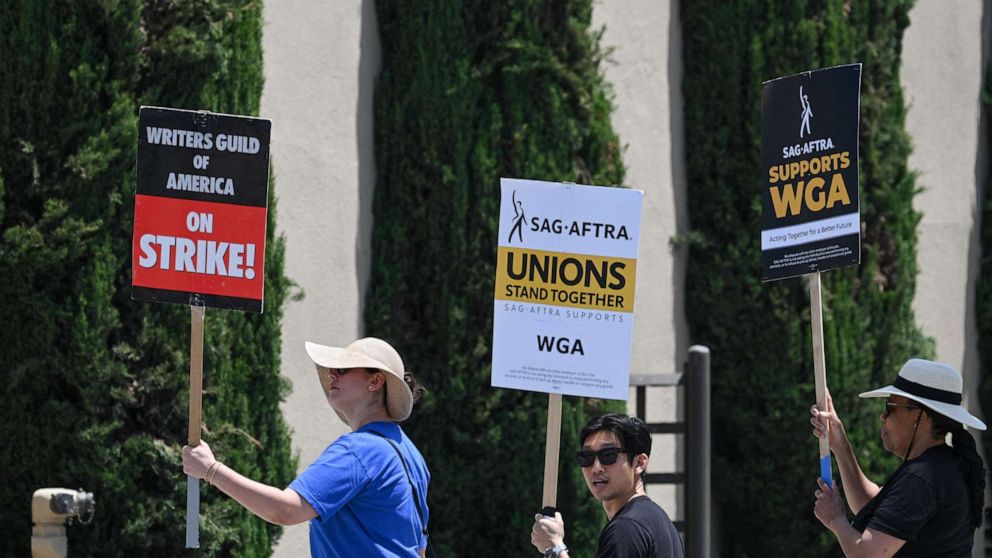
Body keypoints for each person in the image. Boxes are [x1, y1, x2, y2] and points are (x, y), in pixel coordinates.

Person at [183, 337, 431, 558]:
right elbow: (419, 550)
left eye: (343, 369)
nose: (331, 374)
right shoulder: (411, 455)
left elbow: (285, 510)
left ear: (375, 381)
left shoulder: (360, 450)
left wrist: (210, 470)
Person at [810, 358, 987, 557]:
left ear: (919, 417)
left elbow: (868, 554)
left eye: (890, 406)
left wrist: (835, 519)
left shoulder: (923, 478)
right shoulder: (942, 466)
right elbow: (872, 508)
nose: (883, 416)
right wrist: (840, 445)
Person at [531, 413, 684, 558]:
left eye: (608, 455)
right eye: (587, 457)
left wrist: (555, 548)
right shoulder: (656, 519)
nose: (596, 467)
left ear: (639, 463)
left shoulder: (626, 527)